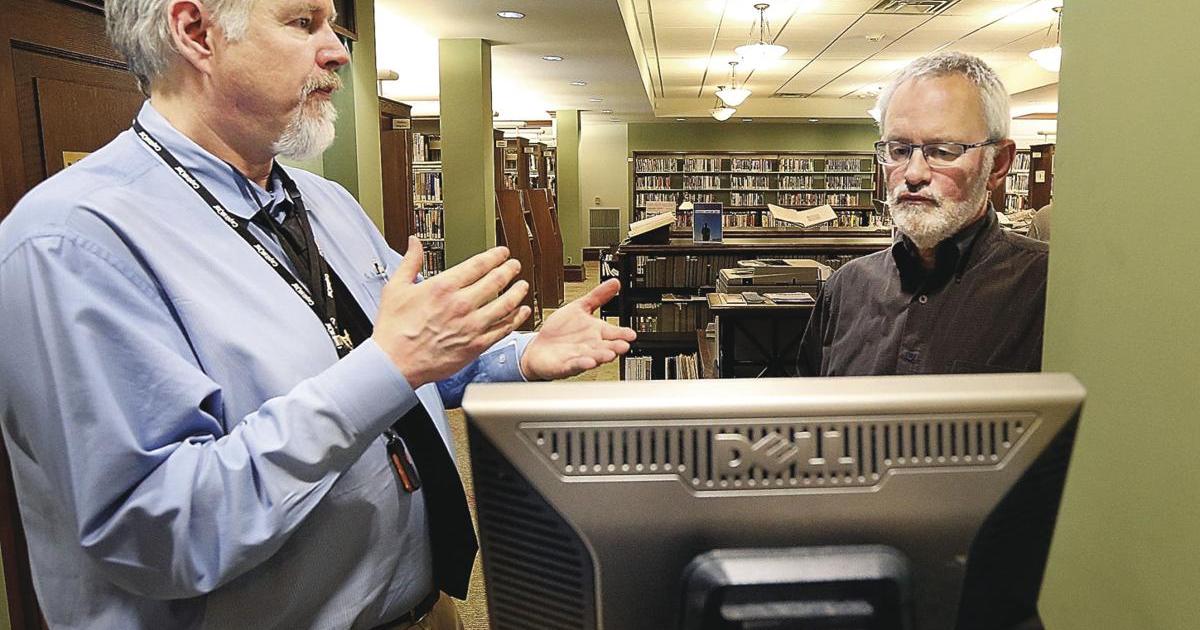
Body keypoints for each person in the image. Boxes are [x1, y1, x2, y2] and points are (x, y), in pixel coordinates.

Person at [0, 1, 636, 628]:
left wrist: (515, 354)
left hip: (424, 608)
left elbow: (407, 360)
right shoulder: (73, 243)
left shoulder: (326, 203)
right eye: (303, 23)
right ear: (195, 32)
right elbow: (160, 533)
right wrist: (388, 366)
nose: (338, 52)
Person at [796, 52, 1053, 630]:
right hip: (850, 592)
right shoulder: (846, 288)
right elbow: (805, 438)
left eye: (941, 150)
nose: (913, 173)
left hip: (987, 605)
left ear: (998, 163)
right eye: (898, 149)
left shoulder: (1050, 290)